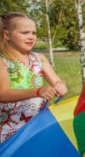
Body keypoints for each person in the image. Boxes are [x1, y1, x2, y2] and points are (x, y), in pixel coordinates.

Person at [0, 12, 67, 143]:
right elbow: (3, 94)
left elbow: (57, 81)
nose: (31, 37)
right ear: (7, 35)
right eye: (25, 33)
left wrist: (60, 86)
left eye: (34, 33)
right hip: (12, 130)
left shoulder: (39, 59)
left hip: (38, 127)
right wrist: (37, 91)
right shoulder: (3, 61)